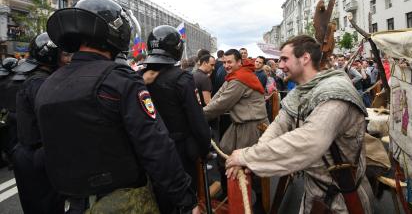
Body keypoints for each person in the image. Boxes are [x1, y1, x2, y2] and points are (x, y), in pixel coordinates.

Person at [36, 0, 200, 214]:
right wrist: (186, 199)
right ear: (117, 31)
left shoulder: (48, 84)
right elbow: (156, 147)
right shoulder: (120, 80)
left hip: (73, 202)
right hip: (122, 201)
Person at [225, 35, 373, 214]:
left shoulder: (335, 93)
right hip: (313, 195)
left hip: (343, 201)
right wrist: (252, 159)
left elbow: (310, 140)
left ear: (305, 58)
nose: (280, 65)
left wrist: (248, 157)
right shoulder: (301, 92)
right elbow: (278, 126)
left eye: (285, 59)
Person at [141, 25, 211, 213]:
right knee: (185, 201)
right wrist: (205, 148)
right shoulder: (181, 78)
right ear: (177, 49)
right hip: (179, 152)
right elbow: (197, 120)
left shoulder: (140, 78)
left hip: (150, 151)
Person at [203, 49, 268, 202]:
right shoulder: (234, 77)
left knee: (249, 165)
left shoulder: (240, 79)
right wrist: (201, 111)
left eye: (230, 62)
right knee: (224, 154)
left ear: (239, 62)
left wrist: (197, 116)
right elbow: (217, 98)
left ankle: (259, 201)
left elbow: (220, 105)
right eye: (224, 62)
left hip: (252, 125)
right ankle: (230, 195)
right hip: (240, 123)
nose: (226, 65)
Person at [12, 33, 65, 214]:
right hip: (36, 153)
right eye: (63, 55)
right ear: (50, 56)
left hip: (29, 153)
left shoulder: (36, 78)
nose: (67, 59)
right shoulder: (40, 83)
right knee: (45, 206)